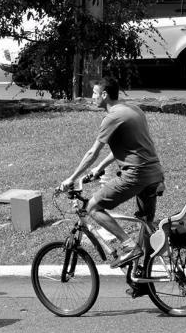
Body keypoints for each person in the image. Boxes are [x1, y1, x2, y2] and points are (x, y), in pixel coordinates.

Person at [61, 77, 165, 270]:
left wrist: (72, 178)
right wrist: (100, 168)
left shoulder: (112, 117)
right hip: (155, 173)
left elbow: (92, 152)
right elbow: (127, 148)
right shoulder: (133, 109)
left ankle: (128, 245)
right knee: (146, 225)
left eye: (94, 93)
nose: (92, 97)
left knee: (92, 207)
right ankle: (144, 277)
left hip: (136, 175)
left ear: (104, 95)